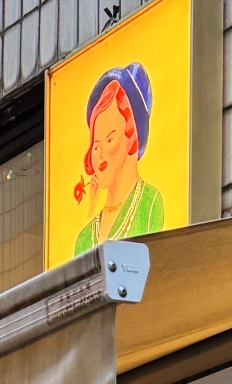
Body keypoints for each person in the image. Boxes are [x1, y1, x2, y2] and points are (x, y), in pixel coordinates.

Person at [71, 64, 164, 257]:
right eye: (96, 146)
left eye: (110, 139)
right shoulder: (84, 238)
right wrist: (91, 208)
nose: (100, 155)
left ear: (132, 135)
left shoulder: (149, 203)